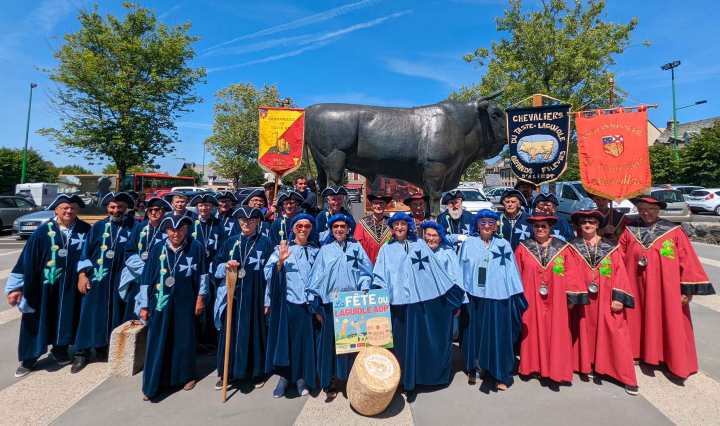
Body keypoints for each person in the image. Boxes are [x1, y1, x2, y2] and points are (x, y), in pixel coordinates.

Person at [619, 197, 715, 380]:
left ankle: (670, 359)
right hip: (635, 284)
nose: (646, 212)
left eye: (651, 209)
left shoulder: (673, 231)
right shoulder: (630, 230)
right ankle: (637, 352)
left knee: (668, 319)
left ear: (659, 210)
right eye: (642, 209)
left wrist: (686, 290)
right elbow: (619, 257)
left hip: (666, 288)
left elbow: (687, 260)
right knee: (636, 317)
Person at [372, 213, 464, 397]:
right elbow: (380, 275)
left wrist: (450, 294)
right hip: (397, 303)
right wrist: (378, 294)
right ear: (392, 228)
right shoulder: (386, 249)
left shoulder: (420, 245)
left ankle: (420, 378)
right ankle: (403, 379)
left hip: (419, 302)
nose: (399, 227)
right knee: (400, 344)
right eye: (396, 224)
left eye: (403, 224)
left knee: (418, 343)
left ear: (408, 226)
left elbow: (435, 271)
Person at [5, 194, 91, 378]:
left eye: (72, 208)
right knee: (38, 319)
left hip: (72, 286)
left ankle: (60, 350)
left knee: (68, 316)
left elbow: (91, 255)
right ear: (56, 211)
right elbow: (25, 260)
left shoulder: (85, 230)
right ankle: (29, 358)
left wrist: (84, 275)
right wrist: (15, 287)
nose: (69, 211)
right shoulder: (42, 232)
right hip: (44, 287)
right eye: (64, 208)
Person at [567, 210, 638, 395]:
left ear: (598, 225)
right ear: (579, 225)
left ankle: (625, 376)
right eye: (584, 222)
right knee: (584, 330)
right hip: (582, 300)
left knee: (615, 332)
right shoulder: (572, 247)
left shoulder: (610, 247)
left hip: (606, 298)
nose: (587, 225)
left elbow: (620, 272)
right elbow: (564, 271)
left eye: (591, 222)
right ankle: (588, 364)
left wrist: (618, 297)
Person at [138, 215, 207, 401]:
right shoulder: (158, 248)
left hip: (186, 301)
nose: (176, 234)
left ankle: (186, 376)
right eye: (172, 230)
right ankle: (154, 383)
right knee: (158, 339)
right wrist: (144, 305)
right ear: (166, 230)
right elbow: (146, 278)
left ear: (186, 230)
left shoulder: (196, 247)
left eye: (180, 229)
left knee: (184, 338)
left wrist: (200, 298)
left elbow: (203, 276)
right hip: (160, 302)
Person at [515, 212, 587, 384]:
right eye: (537, 226)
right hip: (531, 298)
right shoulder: (523, 248)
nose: (540, 229)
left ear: (550, 228)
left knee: (557, 332)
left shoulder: (563, 248)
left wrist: (571, 299)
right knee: (532, 331)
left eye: (544, 226)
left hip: (557, 299)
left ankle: (556, 370)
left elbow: (571, 274)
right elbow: (516, 274)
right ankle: (532, 367)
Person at [459, 209, 528, 391]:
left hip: (498, 297)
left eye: (491, 222)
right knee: (475, 334)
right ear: (477, 225)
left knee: (498, 337)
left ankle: (499, 373)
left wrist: (516, 296)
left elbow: (512, 272)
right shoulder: (468, 244)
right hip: (474, 297)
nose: (487, 226)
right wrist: (461, 294)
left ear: (496, 226)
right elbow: (460, 269)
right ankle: (475, 368)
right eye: (483, 222)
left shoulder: (503, 244)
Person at [307, 213, 373, 401]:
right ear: (331, 229)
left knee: (353, 345)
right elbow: (316, 276)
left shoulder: (356, 248)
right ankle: (330, 383)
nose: (339, 230)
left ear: (348, 228)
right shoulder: (325, 250)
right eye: (335, 227)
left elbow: (366, 271)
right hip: (331, 303)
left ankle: (353, 381)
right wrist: (314, 302)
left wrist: (365, 285)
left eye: (342, 226)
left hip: (351, 303)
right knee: (330, 346)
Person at [72, 192, 136, 373]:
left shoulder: (134, 227)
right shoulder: (98, 227)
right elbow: (85, 253)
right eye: (112, 207)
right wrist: (82, 275)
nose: (116, 210)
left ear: (126, 208)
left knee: (115, 314)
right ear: (107, 208)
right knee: (89, 314)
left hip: (120, 280)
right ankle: (81, 353)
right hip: (97, 279)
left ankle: (103, 347)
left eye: (120, 207)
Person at [213, 207, 274, 390]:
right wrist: (226, 265)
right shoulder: (231, 242)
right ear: (239, 222)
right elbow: (215, 267)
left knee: (254, 331)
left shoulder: (265, 243)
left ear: (257, 222)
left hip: (256, 294)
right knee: (230, 332)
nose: (246, 223)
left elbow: (270, 275)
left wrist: (267, 300)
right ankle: (227, 373)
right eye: (243, 220)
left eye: (251, 220)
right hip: (234, 294)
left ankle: (256, 373)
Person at [263, 214, 318, 398]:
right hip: (288, 303)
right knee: (286, 342)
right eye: (299, 226)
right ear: (293, 228)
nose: (303, 229)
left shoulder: (316, 251)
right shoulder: (282, 248)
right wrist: (280, 261)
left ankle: (301, 379)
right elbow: (267, 273)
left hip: (307, 305)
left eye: (307, 226)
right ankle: (284, 379)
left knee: (303, 344)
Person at [119, 197, 171, 322]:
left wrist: (153, 272)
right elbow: (129, 251)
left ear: (163, 212)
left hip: (158, 279)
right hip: (139, 276)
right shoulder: (140, 227)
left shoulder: (168, 229)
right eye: (150, 210)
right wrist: (145, 270)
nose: (153, 212)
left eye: (157, 210)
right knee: (133, 315)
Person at [189, 192, 226, 350]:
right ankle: (194, 339)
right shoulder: (191, 223)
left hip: (211, 269)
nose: (204, 208)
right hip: (194, 269)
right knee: (194, 303)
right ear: (197, 207)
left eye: (207, 206)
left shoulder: (217, 224)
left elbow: (223, 247)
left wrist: (215, 264)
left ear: (211, 207)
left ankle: (209, 340)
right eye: (201, 205)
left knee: (210, 303)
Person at [354, 194, 392, 264]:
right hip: (367, 264)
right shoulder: (362, 224)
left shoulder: (391, 223)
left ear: (385, 205)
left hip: (387, 264)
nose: (378, 206)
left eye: (381, 203)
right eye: (375, 203)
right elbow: (357, 246)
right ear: (371, 205)